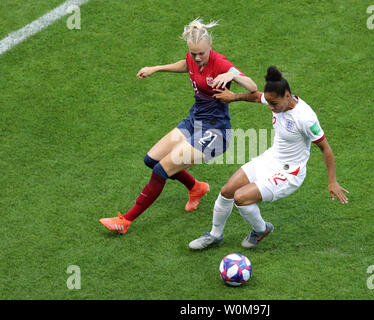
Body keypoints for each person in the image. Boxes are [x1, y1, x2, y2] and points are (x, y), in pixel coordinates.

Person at [99, 18, 257, 234]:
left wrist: (233, 74)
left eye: (202, 53)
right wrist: (156, 68)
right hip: (194, 121)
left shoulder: (220, 63)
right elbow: (186, 65)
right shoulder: (192, 58)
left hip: (215, 132)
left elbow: (253, 86)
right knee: (151, 159)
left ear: (210, 46)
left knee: (161, 170)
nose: (198, 58)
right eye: (194, 54)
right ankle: (196, 187)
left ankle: (125, 221)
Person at [189, 66, 349, 249]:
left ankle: (261, 230)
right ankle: (215, 235)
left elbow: (325, 148)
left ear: (287, 96)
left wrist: (332, 181)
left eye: (274, 104)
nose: (271, 107)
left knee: (240, 197)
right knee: (227, 191)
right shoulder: (276, 99)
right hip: (270, 159)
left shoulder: (305, 118)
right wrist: (234, 97)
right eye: (270, 103)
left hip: (290, 172)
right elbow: (257, 96)